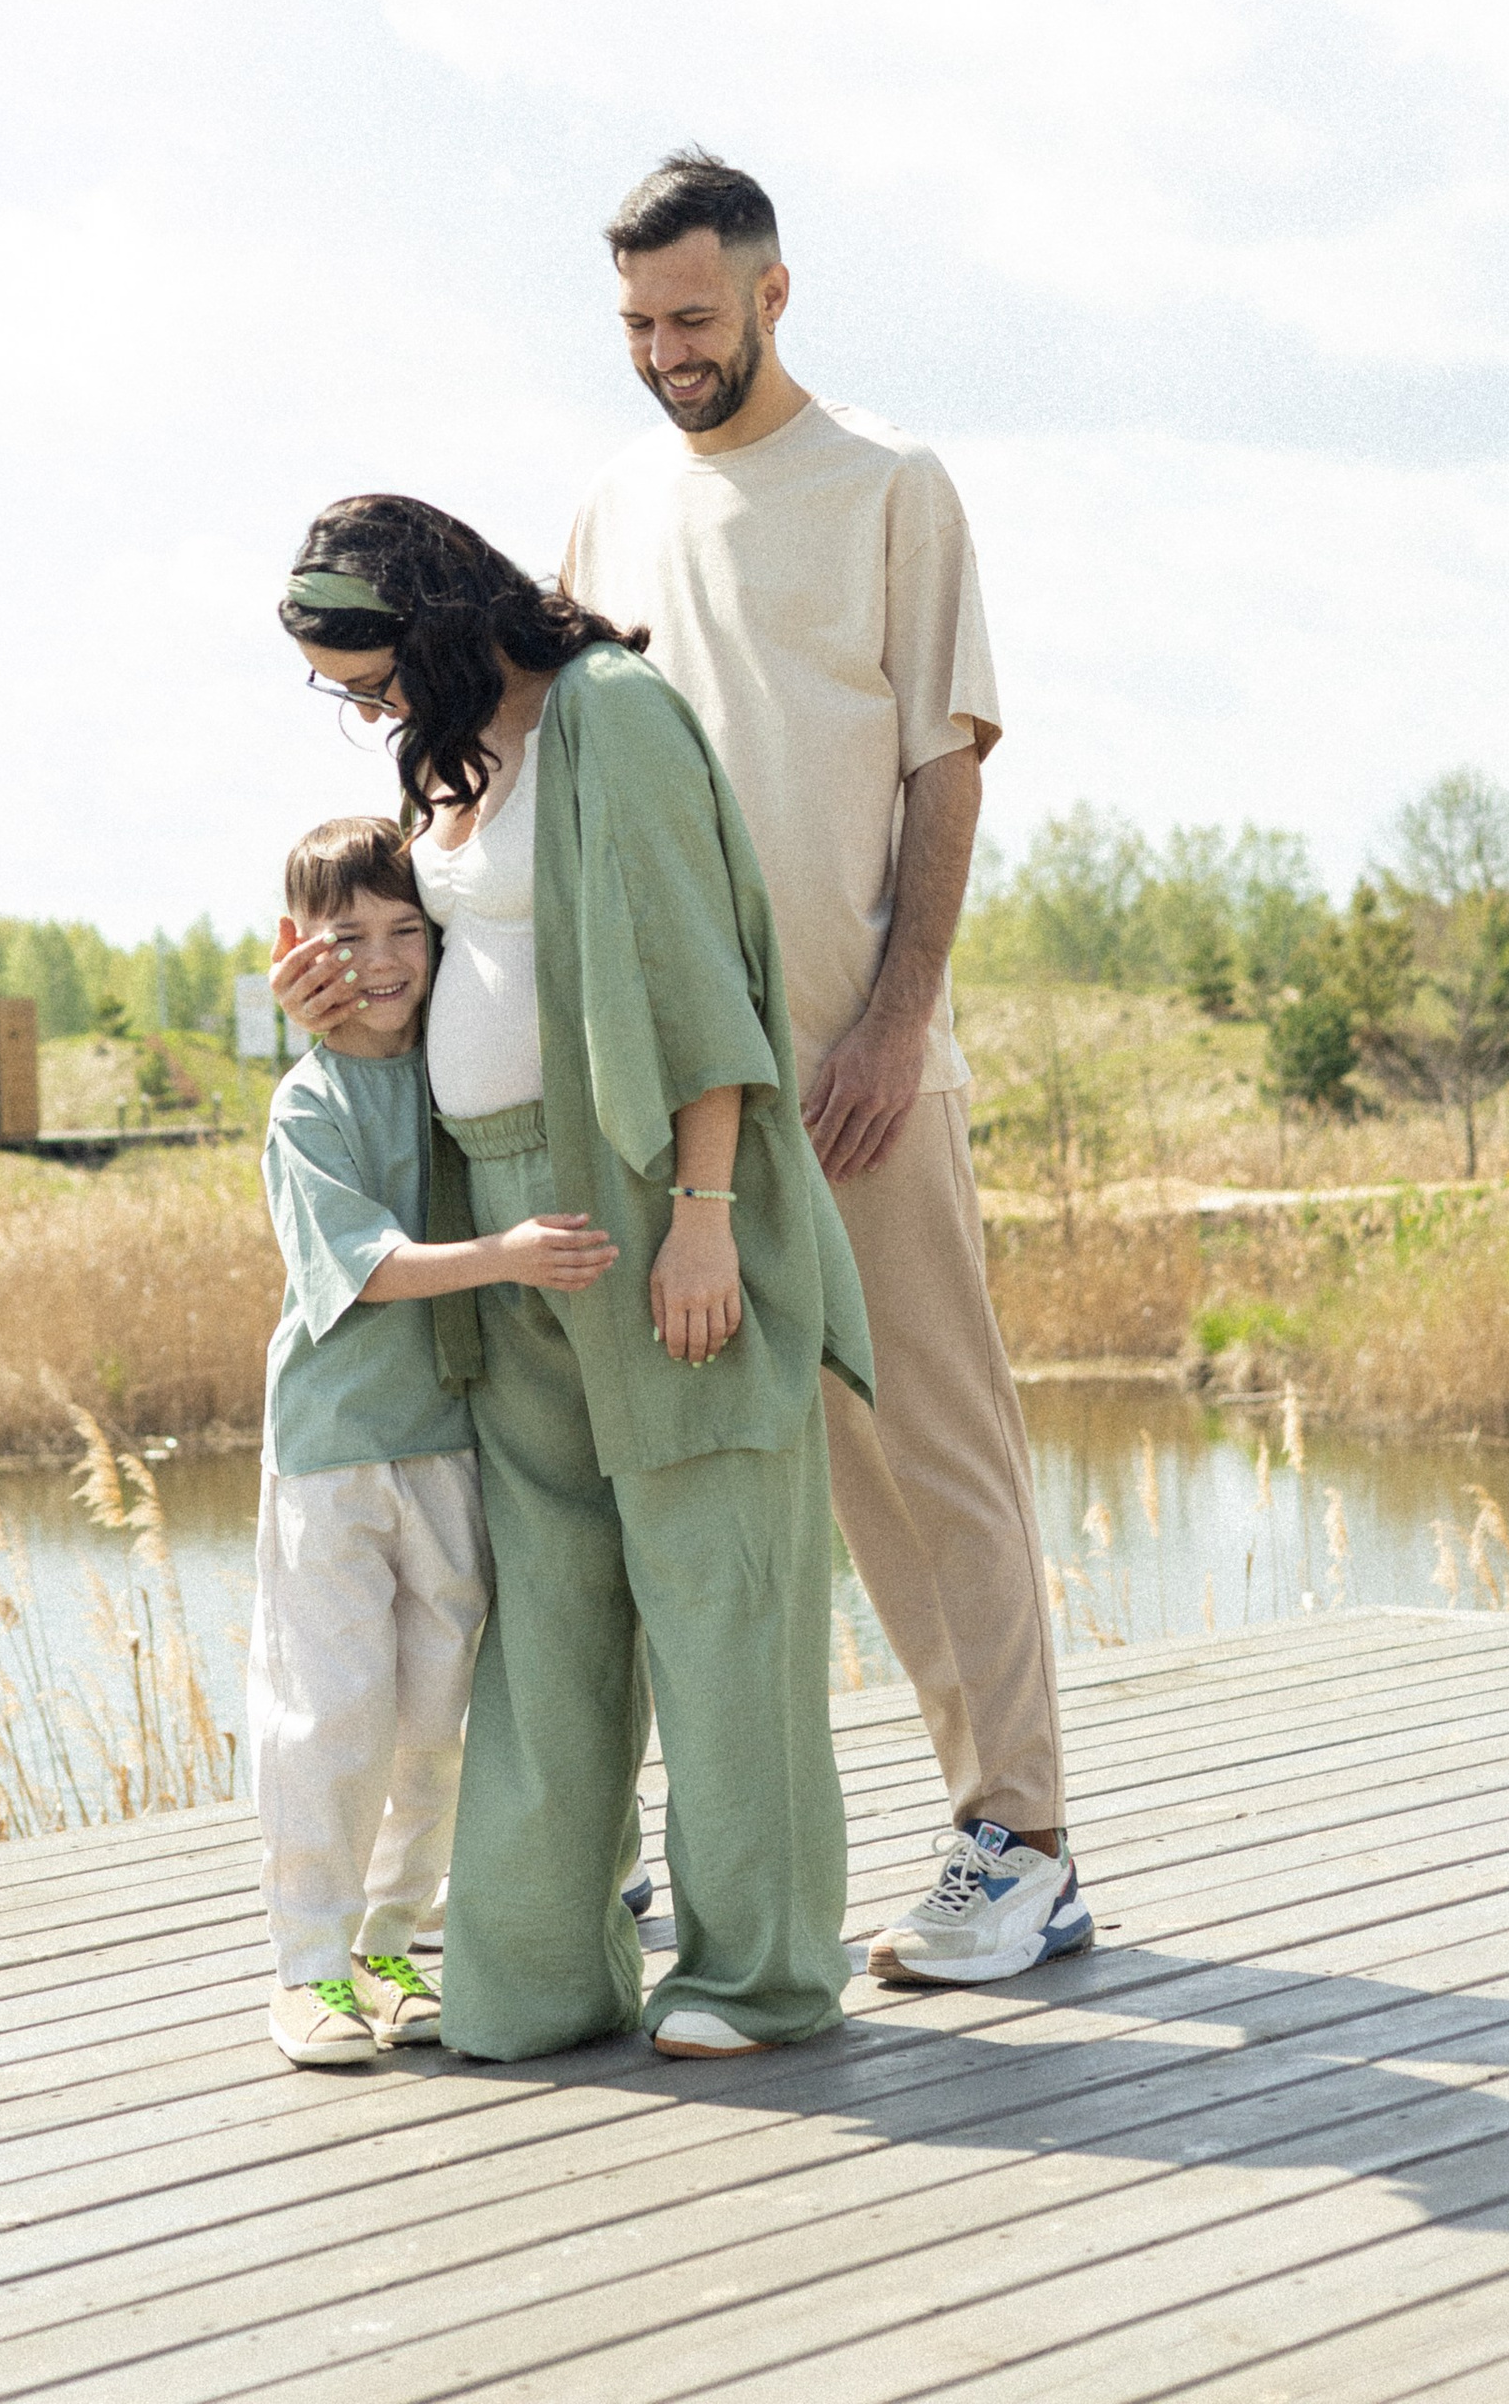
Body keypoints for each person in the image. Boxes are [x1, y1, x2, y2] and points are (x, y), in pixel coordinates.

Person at [564, 146, 1090, 1989]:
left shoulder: (887, 484)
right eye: (635, 322)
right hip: (669, 1090)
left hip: (857, 1074)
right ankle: (659, 1857)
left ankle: (1017, 1839)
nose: (663, 352)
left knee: (929, 1456)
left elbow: (950, 763)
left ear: (774, 295)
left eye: (692, 317)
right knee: (666, 1467)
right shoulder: (616, 502)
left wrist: (893, 1018)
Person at [275, 499, 873, 2064]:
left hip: (650, 1216)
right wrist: (336, 1015)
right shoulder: (464, 760)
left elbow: (703, 978)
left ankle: (757, 1978)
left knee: (719, 1603)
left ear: (436, 617)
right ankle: (538, 1980)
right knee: (545, 1625)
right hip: (508, 1247)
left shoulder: (613, 716)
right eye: (347, 697)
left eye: (373, 676)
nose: (373, 713)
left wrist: (702, 1212)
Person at [250, 810, 615, 2070]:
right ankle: (307, 1966)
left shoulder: (449, 1064)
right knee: (332, 1713)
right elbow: (369, 1268)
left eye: (409, 928)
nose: (387, 957)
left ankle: (394, 1945)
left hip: (448, 1443)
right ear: (298, 950)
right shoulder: (306, 1106)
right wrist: (508, 1259)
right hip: (338, 1454)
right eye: (349, 936)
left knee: (436, 1714)